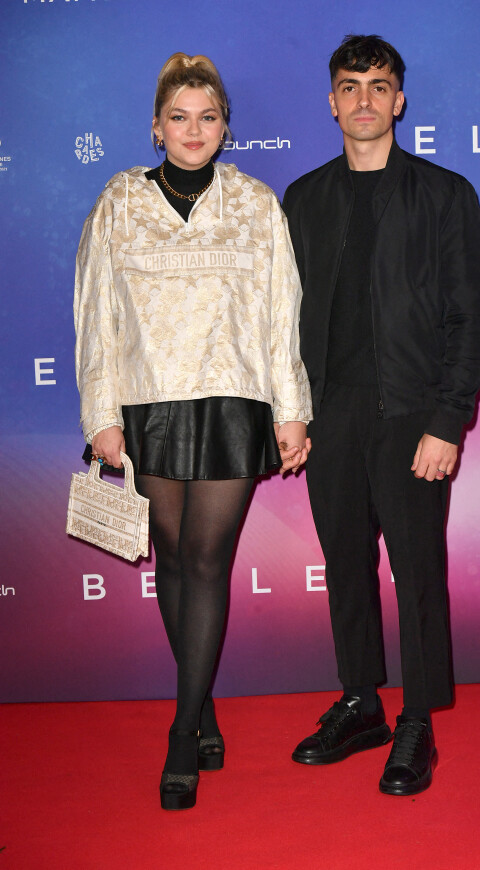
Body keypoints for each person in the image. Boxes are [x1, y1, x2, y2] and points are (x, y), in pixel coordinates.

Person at [74, 52, 312, 811]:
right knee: (171, 560)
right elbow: (96, 316)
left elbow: (282, 314)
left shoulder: (254, 203)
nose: (194, 129)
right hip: (148, 403)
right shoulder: (119, 201)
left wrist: (291, 407)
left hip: (233, 400)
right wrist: (101, 414)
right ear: (156, 127)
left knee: (206, 562)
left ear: (225, 127)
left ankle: (183, 732)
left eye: (208, 117)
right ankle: (201, 702)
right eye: (179, 116)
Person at [283, 34, 480, 795]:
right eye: (350, 86)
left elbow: (473, 321)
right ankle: (362, 701)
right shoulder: (303, 200)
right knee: (345, 564)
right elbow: (284, 320)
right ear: (332, 101)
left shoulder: (445, 196)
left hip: (413, 415)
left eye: (379, 86)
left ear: (399, 100)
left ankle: (417, 722)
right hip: (329, 412)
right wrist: (293, 412)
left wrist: (447, 420)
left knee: (417, 572)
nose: (365, 99)